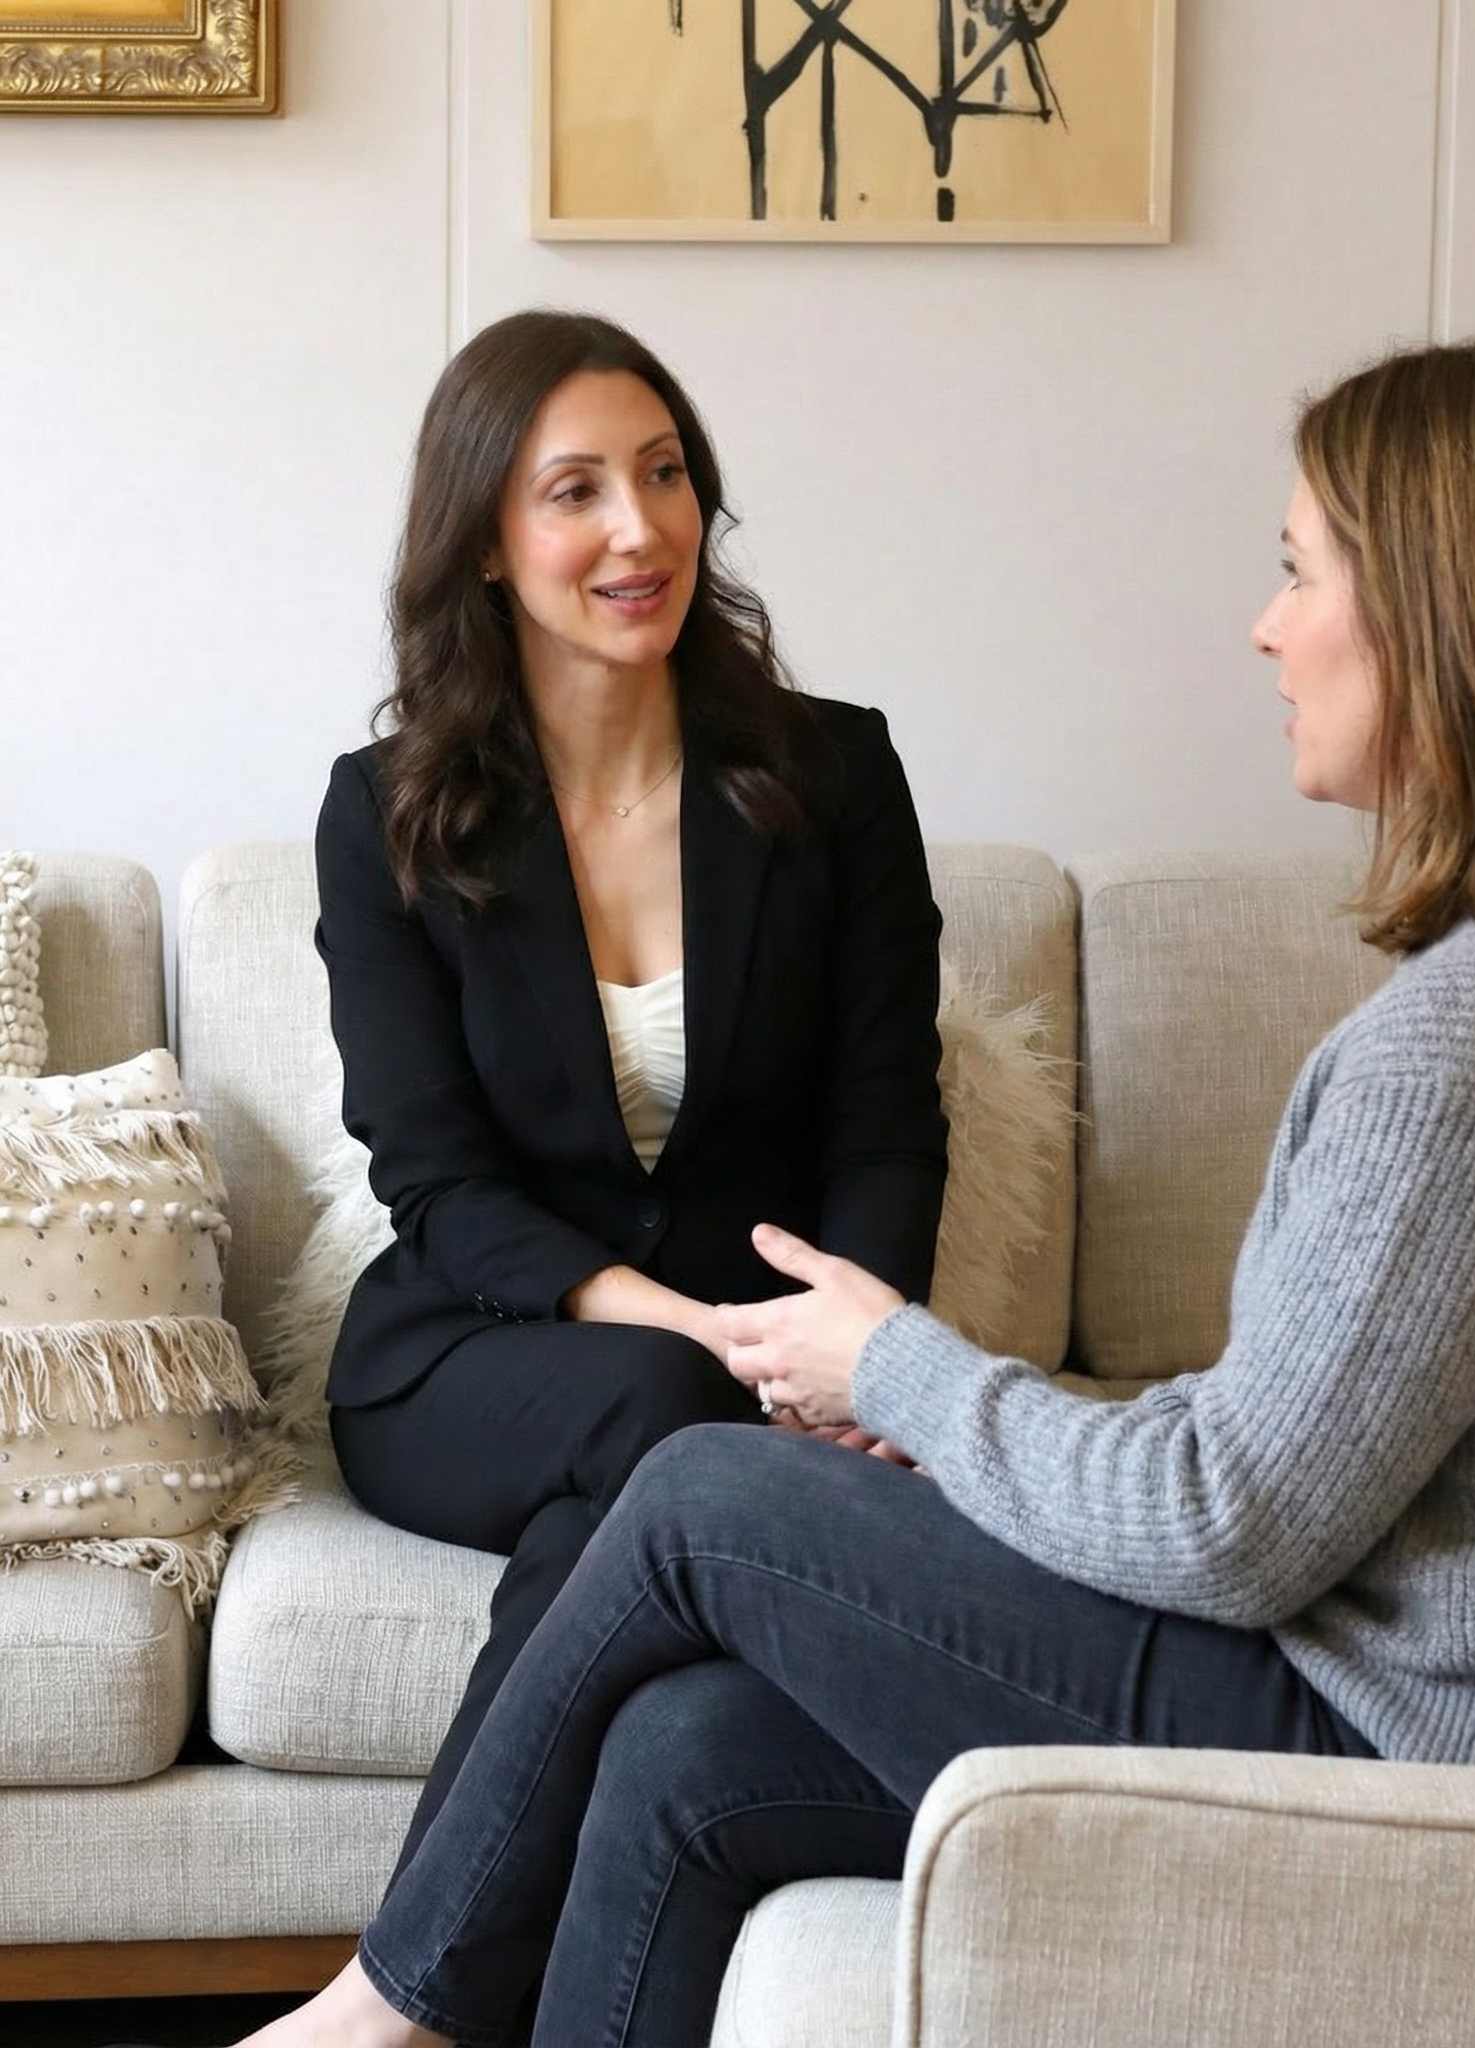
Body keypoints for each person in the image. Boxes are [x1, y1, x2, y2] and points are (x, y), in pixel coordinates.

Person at [230, 335, 1475, 2048]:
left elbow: (1226, 1519)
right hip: (1391, 1675)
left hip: (1389, 1752)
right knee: (686, 1752)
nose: (1265, 627)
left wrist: (901, 1372)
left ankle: (382, 2012)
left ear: (1460, 618)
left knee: (703, 1491)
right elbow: (1285, 1474)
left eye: (1300, 574)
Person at [312, 309, 950, 1864]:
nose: (638, 528)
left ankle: (419, 1991)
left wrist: (858, 1355)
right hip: (475, 1358)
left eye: (663, 475)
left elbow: (886, 1121)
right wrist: (702, 1337)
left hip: (746, 1370)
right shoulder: (387, 815)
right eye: (577, 489)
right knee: (665, 1407)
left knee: (621, 1507)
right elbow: (437, 1184)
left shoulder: (833, 778)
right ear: (482, 540)